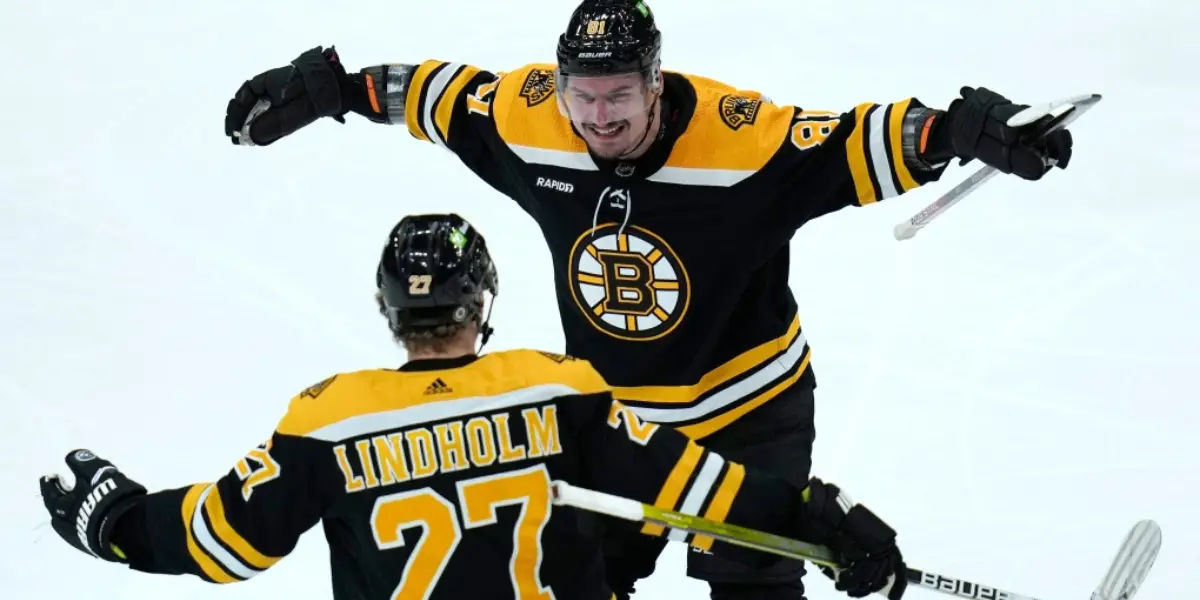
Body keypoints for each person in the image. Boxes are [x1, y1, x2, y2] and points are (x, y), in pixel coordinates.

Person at [220, 1, 1075, 598]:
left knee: (752, 581)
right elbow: (436, 93)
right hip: (616, 421)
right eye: (582, 96)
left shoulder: (742, 140)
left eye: (619, 96)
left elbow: (856, 139)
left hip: (750, 406)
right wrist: (329, 87)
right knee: (580, 580)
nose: (597, 116)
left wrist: (960, 131)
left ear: (655, 83)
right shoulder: (529, 118)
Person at [38, 213, 908, 600]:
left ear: (388, 310)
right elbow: (695, 486)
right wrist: (817, 520)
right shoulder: (554, 386)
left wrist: (115, 522)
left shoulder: (327, 419)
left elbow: (223, 539)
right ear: (481, 301)